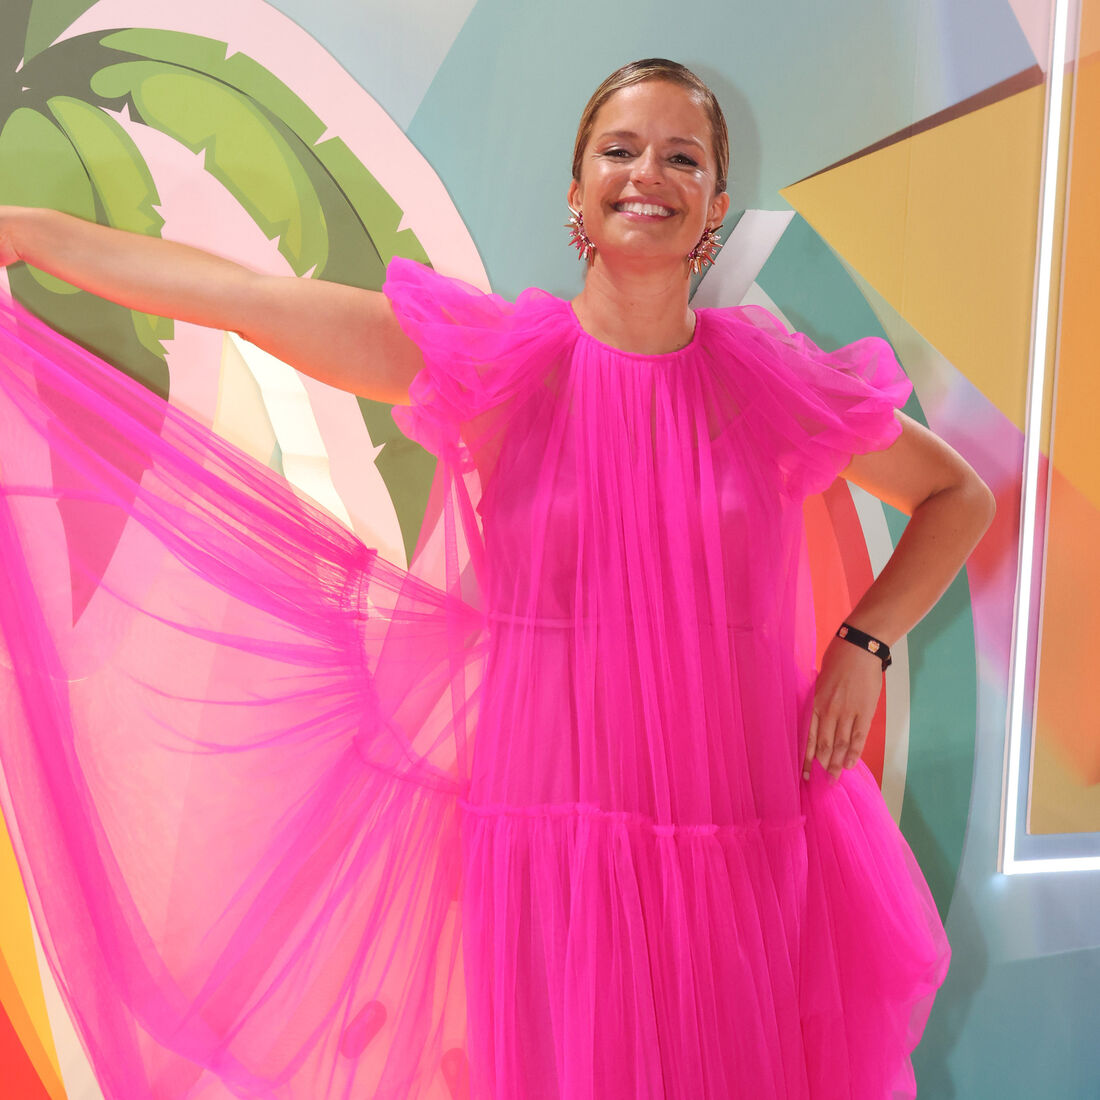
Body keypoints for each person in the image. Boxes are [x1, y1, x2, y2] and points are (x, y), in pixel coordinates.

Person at [0, 58, 992, 1099]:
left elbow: (955, 496)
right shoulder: (500, 367)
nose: (646, 174)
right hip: (548, 823)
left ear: (714, 205)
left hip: (740, 817)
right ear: (577, 191)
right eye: (618, 150)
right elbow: (247, 301)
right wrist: (28, 230)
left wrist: (865, 641)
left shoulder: (771, 384)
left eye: (681, 157)